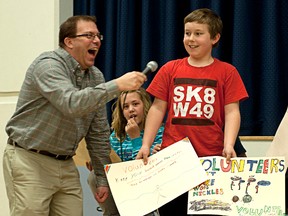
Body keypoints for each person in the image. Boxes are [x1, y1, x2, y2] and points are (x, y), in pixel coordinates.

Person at [3, 15, 147, 216]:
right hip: (30, 160)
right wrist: (117, 85)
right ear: (68, 42)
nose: (96, 41)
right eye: (88, 35)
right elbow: (71, 103)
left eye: (98, 36)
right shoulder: (48, 65)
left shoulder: (95, 76)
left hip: (65, 164)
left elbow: (97, 133)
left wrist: (101, 178)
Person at [136, 8, 248, 215]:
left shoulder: (227, 72)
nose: (191, 39)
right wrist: (146, 144)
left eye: (198, 33)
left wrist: (229, 144)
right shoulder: (170, 69)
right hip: (173, 160)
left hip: (210, 158)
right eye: (187, 33)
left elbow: (232, 112)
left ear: (215, 38)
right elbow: (157, 109)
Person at [87, 87, 164, 216]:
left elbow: (142, 170)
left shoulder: (159, 132)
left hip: (148, 188)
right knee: (95, 176)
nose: (131, 109)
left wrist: (135, 138)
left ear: (145, 106)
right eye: (125, 107)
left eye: (135, 104)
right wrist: (99, 164)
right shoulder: (116, 137)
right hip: (124, 189)